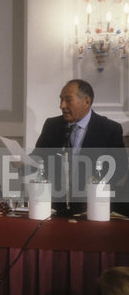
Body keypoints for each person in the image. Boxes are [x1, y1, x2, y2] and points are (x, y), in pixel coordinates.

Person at [32, 79, 127, 215]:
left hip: (93, 208)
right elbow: (38, 157)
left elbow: (120, 167)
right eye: (61, 100)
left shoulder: (109, 129)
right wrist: (22, 162)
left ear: (86, 101)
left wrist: (98, 183)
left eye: (68, 100)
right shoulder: (52, 125)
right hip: (54, 208)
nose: (62, 105)